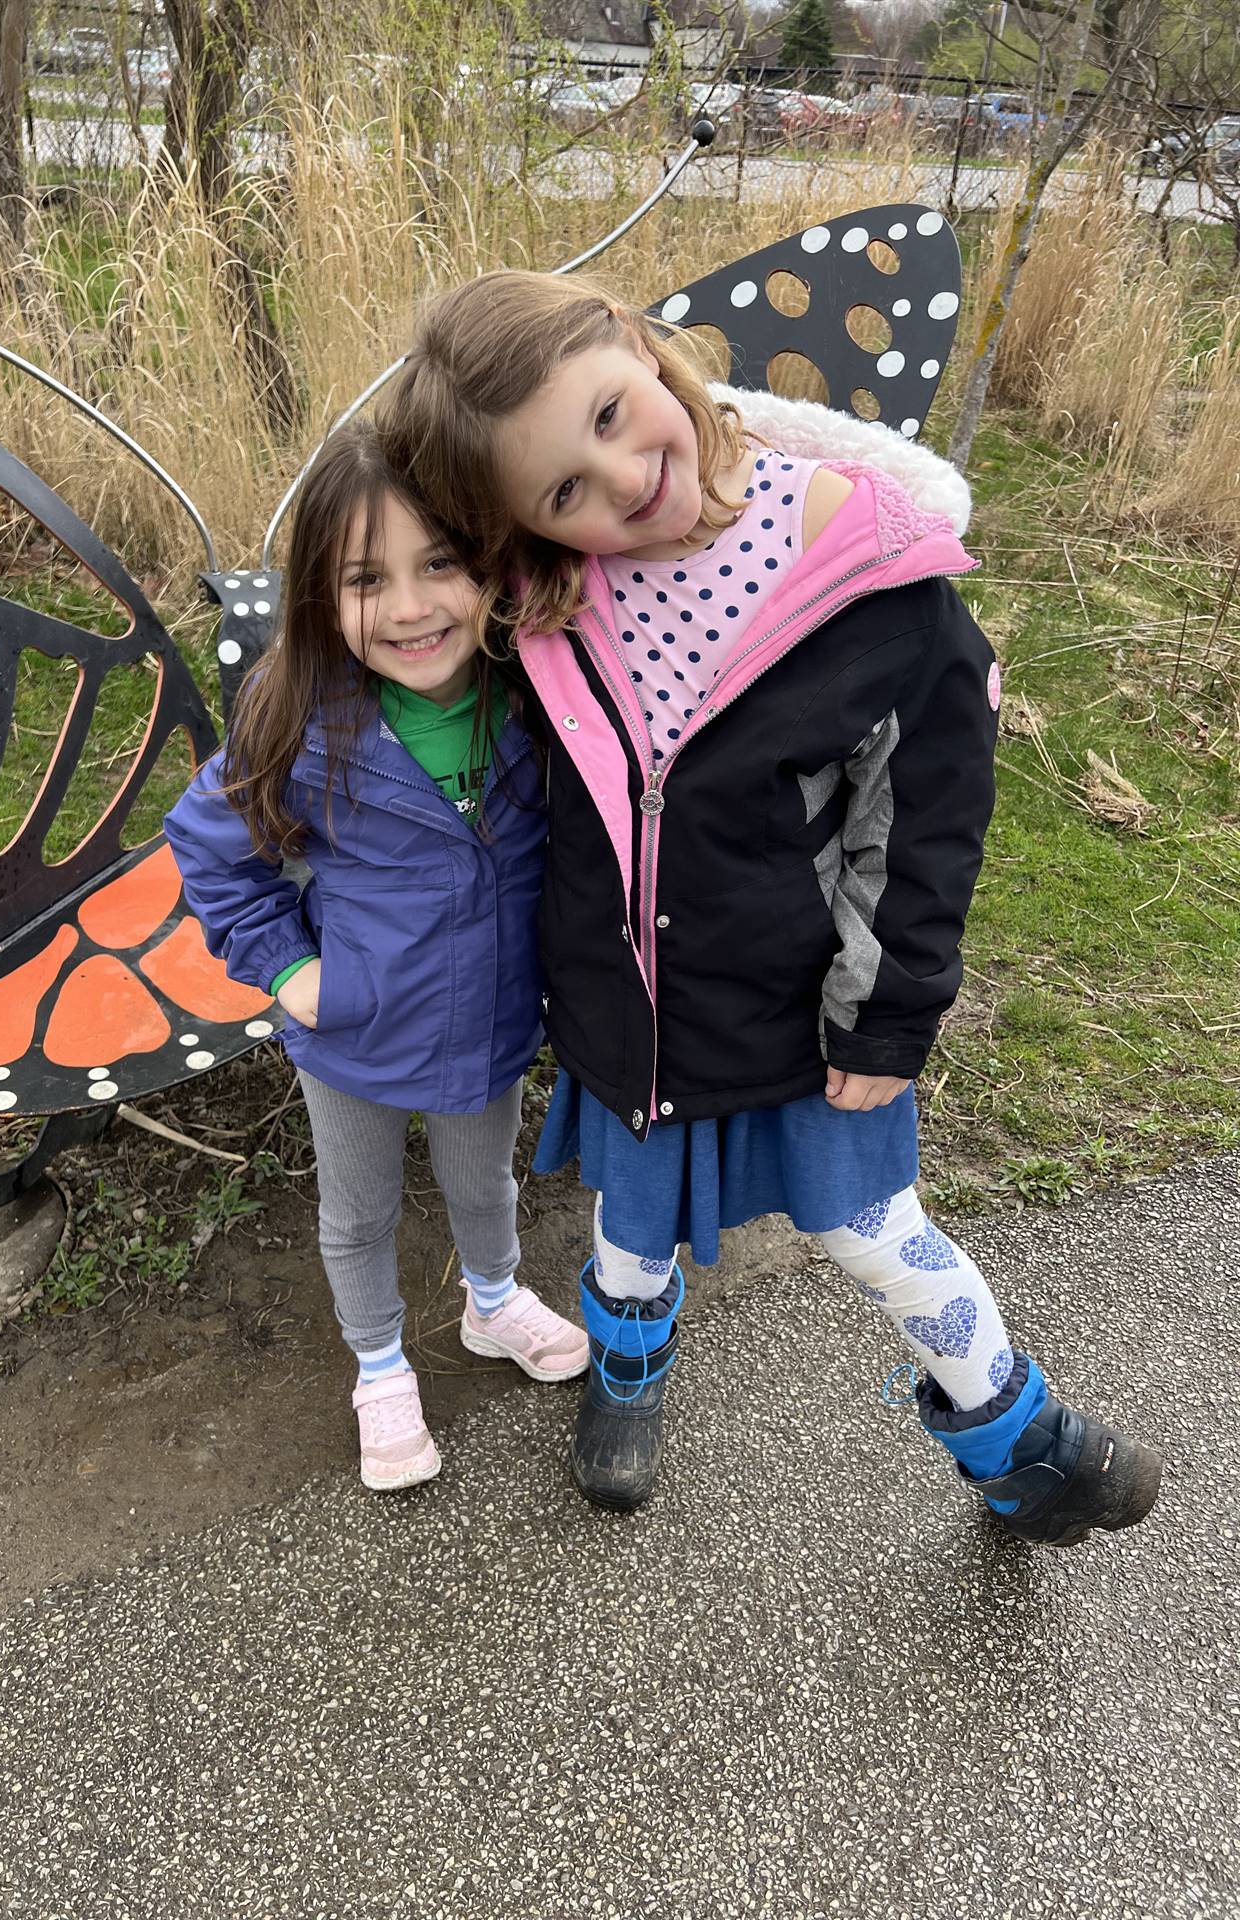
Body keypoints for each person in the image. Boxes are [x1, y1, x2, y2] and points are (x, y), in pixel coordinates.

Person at [375, 268, 1162, 1546]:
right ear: (523, 525)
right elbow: (431, 678)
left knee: (877, 1233)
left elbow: (923, 823)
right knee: (630, 1231)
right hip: (634, 1012)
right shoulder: (544, 605)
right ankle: (627, 1376)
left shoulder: (870, 571)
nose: (623, 477)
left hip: (810, 1014)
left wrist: (888, 1013)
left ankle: (1015, 1439)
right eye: (564, 490)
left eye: (613, 415)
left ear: (640, 346)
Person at [164, 421, 586, 1494]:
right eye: (366, 580)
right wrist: (290, 970)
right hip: (352, 1029)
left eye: (439, 564)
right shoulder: (300, 719)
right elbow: (209, 845)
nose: (409, 607)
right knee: (358, 1211)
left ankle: (493, 1300)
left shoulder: (539, 700)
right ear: (321, 596)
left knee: (484, 1181)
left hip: (493, 1019)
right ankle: (380, 1363)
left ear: (490, 564)